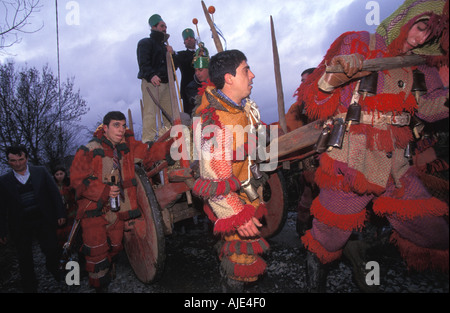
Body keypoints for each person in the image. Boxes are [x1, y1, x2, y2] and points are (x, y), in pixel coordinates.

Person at [295, 0, 449, 292]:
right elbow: (313, 99)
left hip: (397, 166)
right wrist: (332, 78)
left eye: (428, 36)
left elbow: (428, 108)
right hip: (352, 163)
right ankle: (314, 284)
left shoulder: (420, 65)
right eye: (419, 28)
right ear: (407, 18)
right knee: (328, 237)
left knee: (432, 227)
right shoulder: (358, 43)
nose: (419, 39)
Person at [192, 50, 269, 292]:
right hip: (233, 204)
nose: (252, 74)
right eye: (246, 69)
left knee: (244, 258)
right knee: (241, 261)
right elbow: (214, 180)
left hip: (250, 196)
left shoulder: (244, 109)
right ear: (229, 78)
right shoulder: (213, 121)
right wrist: (238, 216)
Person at [69, 111, 173, 292]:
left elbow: (148, 153)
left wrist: (171, 148)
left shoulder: (127, 147)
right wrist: (104, 190)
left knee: (116, 245)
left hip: (117, 209)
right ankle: (100, 286)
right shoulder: (89, 150)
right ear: (105, 127)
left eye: (123, 125)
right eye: (116, 125)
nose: (121, 129)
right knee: (97, 253)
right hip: (94, 211)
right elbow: (77, 180)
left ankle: (110, 267)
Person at [0, 145, 66, 292]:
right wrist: (2, 231)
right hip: (20, 225)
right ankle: (30, 287)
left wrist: (60, 214)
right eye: (13, 160)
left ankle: (56, 271)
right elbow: (2, 208)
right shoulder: (4, 181)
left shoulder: (40, 172)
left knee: (52, 250)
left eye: (20, 159)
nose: (17, 163)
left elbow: (54, 194)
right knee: (24, 259)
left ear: (27, 158)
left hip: (43, 220)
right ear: (8, 161)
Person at [137, 14, 174, 143]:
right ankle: (149, 143)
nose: (165, 29)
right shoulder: (145, 43)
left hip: (166, 84)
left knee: (171, 114)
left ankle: (172, 141)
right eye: (162, 26)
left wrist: (171, 55)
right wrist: (151, 75)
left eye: (166, 27)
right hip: (151, 83)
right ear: (153, 27)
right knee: (150, 113)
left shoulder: (166, 48)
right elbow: (143, 62)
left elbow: (174, 67)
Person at [52, 166, 77, 249]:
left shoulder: (70, 183)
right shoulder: (52, 185)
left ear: (65, 174)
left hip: (72, 211)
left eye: (61, 174)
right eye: (57, 174)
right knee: (61, 234)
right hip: (59, 213)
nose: (59, 176)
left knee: (73, 233)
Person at [173, 28, 197, 115]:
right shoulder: (180, 55)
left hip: (204, 88)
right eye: (187, 39)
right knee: (192, 116)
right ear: (184, 43)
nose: (189, 39)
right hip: (188, 91)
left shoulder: (204, 53)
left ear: (195, 40)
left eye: (191, 37)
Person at [184, 42, 211, 115]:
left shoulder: (218, 81)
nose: (197, 73)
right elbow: (198, 102)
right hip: (199, 117)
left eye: (200, 70)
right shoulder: (191, 87)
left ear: (208, 69)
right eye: (196, 70)